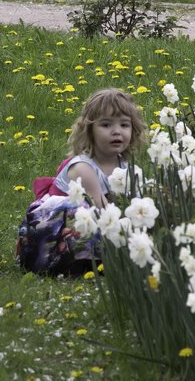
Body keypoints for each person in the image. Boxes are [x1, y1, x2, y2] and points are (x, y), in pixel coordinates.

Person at [16, 88, 146, 275]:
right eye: (106, 125)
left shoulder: (127, 169)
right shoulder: (83, 168)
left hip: (99, 227)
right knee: (86, 215)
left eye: (124, 125)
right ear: (90, 130)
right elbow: (105, 213)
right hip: (51, 239)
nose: (117, 132)